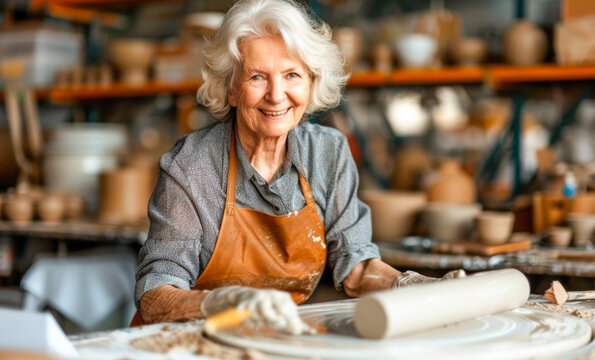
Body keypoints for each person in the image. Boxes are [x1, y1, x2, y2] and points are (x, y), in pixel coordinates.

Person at [131, 0, 463, 332]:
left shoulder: (328, 154)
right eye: (258, 77)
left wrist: (413, 286)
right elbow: (156, 295)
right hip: (193, 336)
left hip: (278, 334)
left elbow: (357, 270)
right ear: (231, 89)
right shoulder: (191, 166)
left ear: (310, 83)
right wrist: (220, 304)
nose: (277, 95)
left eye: (292, 75)